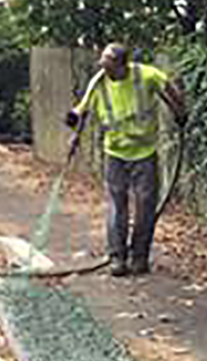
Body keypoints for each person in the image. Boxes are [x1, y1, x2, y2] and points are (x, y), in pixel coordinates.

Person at [66, 43, 186, 276]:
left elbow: (168, 88)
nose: (104, 70)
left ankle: (139, 257)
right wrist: (75, 138)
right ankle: (117, 257)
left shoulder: (145, 75)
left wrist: (179, 111)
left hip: (145, 152)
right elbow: (84, 110)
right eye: (102, 65)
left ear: (123, 65)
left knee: (145, 206)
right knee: (116, 205)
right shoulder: (99, 83)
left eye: (109, 66)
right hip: (115, 153)